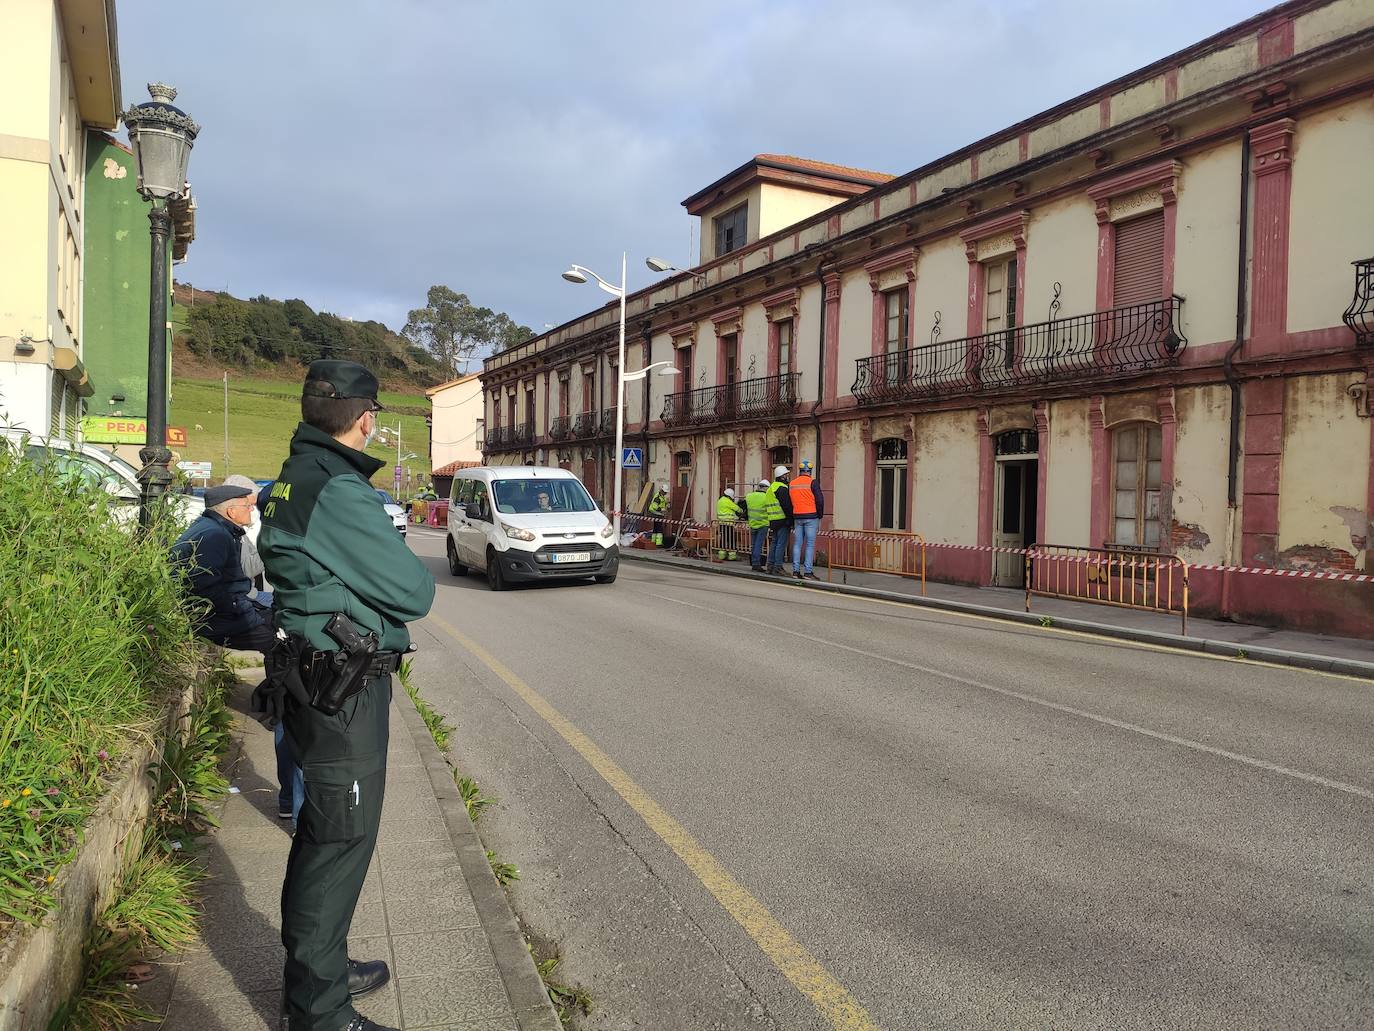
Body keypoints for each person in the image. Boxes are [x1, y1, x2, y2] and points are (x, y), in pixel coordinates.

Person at [258, 360, 435, 1031]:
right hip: (342, 689)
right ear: (366, 418)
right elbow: (415, 591)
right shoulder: (338, 488)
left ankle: (319, 970)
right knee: (339, 840)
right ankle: (317, 1009)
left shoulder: (290, 476)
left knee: (322, 832)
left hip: (316, 678)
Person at [171, 483, 274, 655]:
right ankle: (281, 682)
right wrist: (248, 612)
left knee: (282, 618)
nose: (251, 510)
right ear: (231, 511)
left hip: (230, 608)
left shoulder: (212, 527)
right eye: (247, 506)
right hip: (218, 619)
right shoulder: (215, 536)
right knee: (282, 642)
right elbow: (204, 586)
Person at [789, 459, 826, 580]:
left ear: (800, 471)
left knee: (797, 544)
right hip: (811, 516)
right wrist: (820, 515)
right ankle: (808, 572)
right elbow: (820, 500)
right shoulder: (813, 482)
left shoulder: (792, 483)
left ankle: (795, 571)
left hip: (797, 516)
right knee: (809, 545)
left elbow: (790, 502)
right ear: (810, 471)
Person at [765, 465, 792, 574]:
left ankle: (770, 566)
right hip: (782, 520)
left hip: (773, 520)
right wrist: (791, 519)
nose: (787, 477)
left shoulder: (770, 488)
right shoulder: (781, 488)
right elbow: (787, 506)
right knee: (781, 544)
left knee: (774, 543)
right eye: (786, 475)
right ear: (781, 477)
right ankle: (778, 567)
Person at [744, 478, 772, 571]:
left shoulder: (749, 496)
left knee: (753, 545)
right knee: (758, 545)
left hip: (752, 523)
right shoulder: (766, 497)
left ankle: (754, 562)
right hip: (763, 524)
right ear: (766, 488)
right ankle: (756, 564)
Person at [715, 487, 743, 560]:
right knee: (731, 540)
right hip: (728, 524)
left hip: (721, 523)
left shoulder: (720, 500)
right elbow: (737, 509)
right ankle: (732, 556)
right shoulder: (727, 501)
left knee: (723, 539)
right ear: (730, 496)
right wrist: (742, 510)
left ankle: (721, 555)